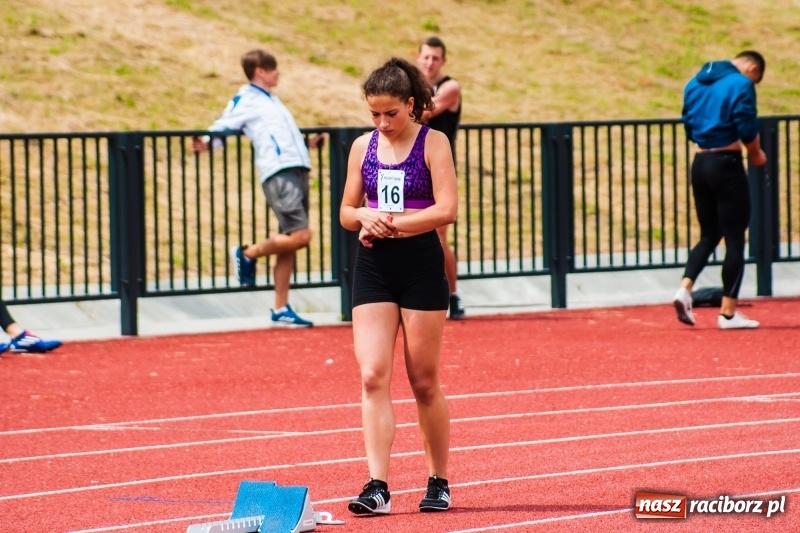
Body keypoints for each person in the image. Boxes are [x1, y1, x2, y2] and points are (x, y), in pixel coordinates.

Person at [340, 57, 457, 514]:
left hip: (420, 264)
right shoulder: (361, 147)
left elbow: (446, 209)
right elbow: (347, 212)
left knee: (423, 381)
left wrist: (398, 223)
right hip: (373, 264)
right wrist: (365, 216)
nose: (383, 122)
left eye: (391, 113)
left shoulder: (434, 143)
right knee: (372, 375)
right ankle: (377, 485)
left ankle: (438, 480)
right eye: (374, 114)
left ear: (411, 104)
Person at [193, 49, 323, 327]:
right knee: (301, 236)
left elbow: (279, 134)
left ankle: (280, 308)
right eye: (273, 68)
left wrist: (307, 143)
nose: (278, 73)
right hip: (279, 171)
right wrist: (206, 141)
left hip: (296, 168)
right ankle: (247, 253)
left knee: (289, 241)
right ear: (260, 71)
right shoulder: (247, 98)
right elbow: (224, 123)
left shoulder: (271, 100)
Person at [673, 50, 767, 330]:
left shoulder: (694, 82)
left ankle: (685, 288)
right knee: (735, 239)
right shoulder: (740, 83)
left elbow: (687, 121)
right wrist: (756, 153)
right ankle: (728, 313)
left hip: (700, 162)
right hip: (727, 163)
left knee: (709, 234)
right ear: (751, 68)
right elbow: (746, 123)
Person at [416, 36, 465, 320]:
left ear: (443, 61)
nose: (430, 63)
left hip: (441, 169)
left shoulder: (450, 86)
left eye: (435, 58)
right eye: (426, 57)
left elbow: (423, 113)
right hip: (413, 168)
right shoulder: (412, 85)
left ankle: (451, 294)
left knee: (439, 235)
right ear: (418, 57)